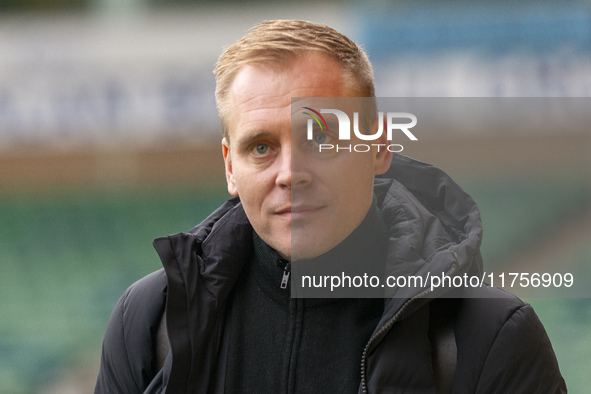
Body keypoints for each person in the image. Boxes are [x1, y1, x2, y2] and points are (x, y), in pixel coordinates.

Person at [95, 20, 566, 393]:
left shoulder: (491, 337)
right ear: (230, 168)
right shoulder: (149, 319)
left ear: (378, 145)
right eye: (260, 147)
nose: (290, 173)